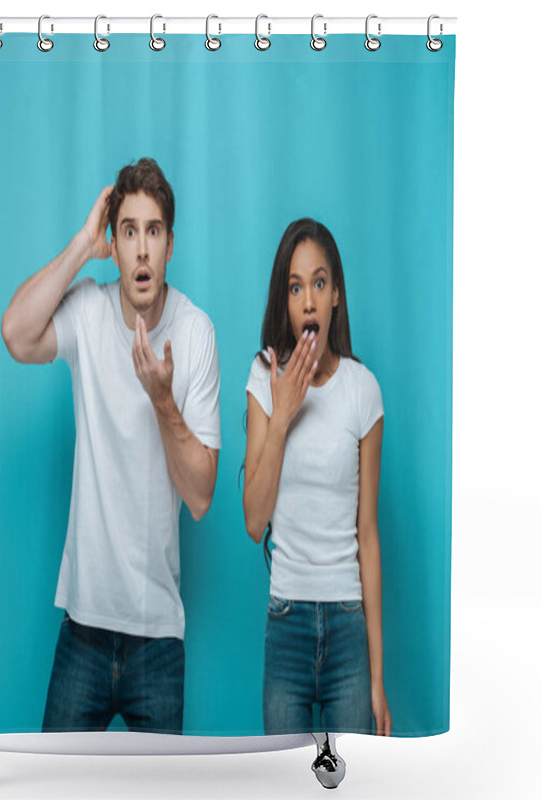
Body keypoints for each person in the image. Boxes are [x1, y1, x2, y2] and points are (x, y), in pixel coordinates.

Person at [1, 158, 221, 734]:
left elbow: (200, 496)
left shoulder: (195, 332)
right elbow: (16, 334)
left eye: (153, 231)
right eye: (128, 231)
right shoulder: (90, 310)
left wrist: (163, 401)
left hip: (158, 639)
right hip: (84, 629)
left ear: (170, 244)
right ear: (115, 246)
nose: (142, 249)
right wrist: (80, 246)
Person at [242, 218, 391, 736]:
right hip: (286, 625)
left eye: (319, 284)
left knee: (349, 786)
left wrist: (376, 678)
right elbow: (253, 521)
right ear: (286, 302)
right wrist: (282, 414)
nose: (308, 300)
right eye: (296, 286)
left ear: (335, 299)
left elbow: (367, 535)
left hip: (349, 628)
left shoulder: (363, 391)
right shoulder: (264, 379)